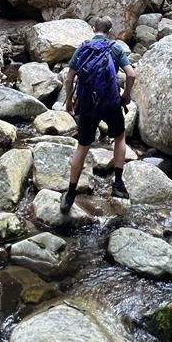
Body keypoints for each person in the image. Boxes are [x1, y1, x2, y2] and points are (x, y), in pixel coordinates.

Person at [60, 15, 136, 213]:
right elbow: (131, 74)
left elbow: (69, 77)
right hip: (111, 103)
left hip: (87, 105)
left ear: (94, 29)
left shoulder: (83, 48)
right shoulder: (115, 48)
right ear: (110, 32)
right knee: (119, 138)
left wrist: (69, 100)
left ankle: (70, 194)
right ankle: (117, 184)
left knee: (82, 147)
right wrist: (126, 95)